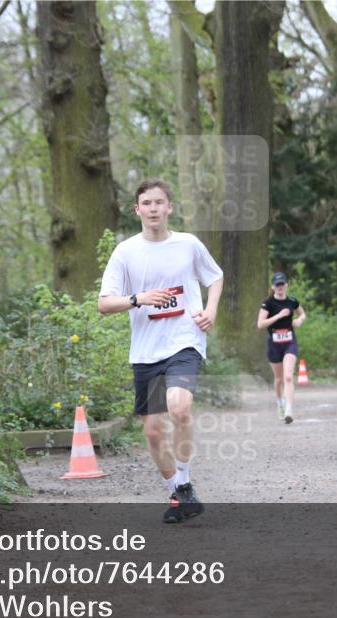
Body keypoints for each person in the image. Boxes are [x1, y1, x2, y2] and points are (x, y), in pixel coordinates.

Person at [98, 179, 224, 524]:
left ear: (169, 208)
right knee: (153, 431)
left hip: (185, 340)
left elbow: (215, 277)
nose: (153, 209)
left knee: (180, 407)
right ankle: (181, 492)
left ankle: (183, 484)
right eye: (146, 203)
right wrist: (139, 298)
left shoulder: (188, 245)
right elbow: (104, 304)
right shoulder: (125, 252)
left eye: (159, 202)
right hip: (145, 350)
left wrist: (210, 311)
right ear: (137, 210)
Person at [257, 272, 305, 424]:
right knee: (278, 380)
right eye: (277, 285)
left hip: (290, 342)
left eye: (282, 284)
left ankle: (289, 410)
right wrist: (278, 316)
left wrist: (299, 320)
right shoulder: (268, 303)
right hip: (274, 344)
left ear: (286, 285)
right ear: (273, 286)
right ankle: (280, 404)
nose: (280, 287)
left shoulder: (292, 301)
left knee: (288, 377)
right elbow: (260, 324)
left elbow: (302, 314)